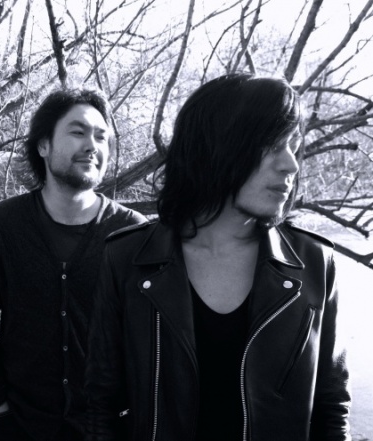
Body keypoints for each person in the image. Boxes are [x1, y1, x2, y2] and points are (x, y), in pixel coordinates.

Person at [85, 74, 351, 440]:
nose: (291, 165)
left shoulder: (315, 264)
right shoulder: (127, 259)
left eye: (292, 146)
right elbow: (101, 405)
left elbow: (332, 409)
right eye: (273, 145)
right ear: (217, 146)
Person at [0, 88, 146, 441]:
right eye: (78, 132)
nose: (92, 145)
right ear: (43, 145)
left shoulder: (131, 232)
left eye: (101, 136)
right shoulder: (3, 225)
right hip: (19, 427)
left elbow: (148, 337)